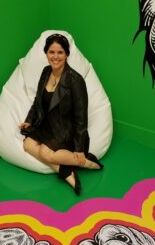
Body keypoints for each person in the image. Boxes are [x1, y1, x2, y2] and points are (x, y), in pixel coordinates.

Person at [19, 33, 103, 195]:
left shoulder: (75, 80)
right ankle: (67, 170)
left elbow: (81, 116)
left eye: (60, 52)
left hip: (67, 128)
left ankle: (85, 161)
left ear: (67, 54)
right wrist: (30, 120)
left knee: (45, 152)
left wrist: (78, 148)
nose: (55, 57)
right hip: (48, 123)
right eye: (51, 52)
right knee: (28, 144)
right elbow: (38, 99)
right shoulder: (45, 72)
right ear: (46, 53)